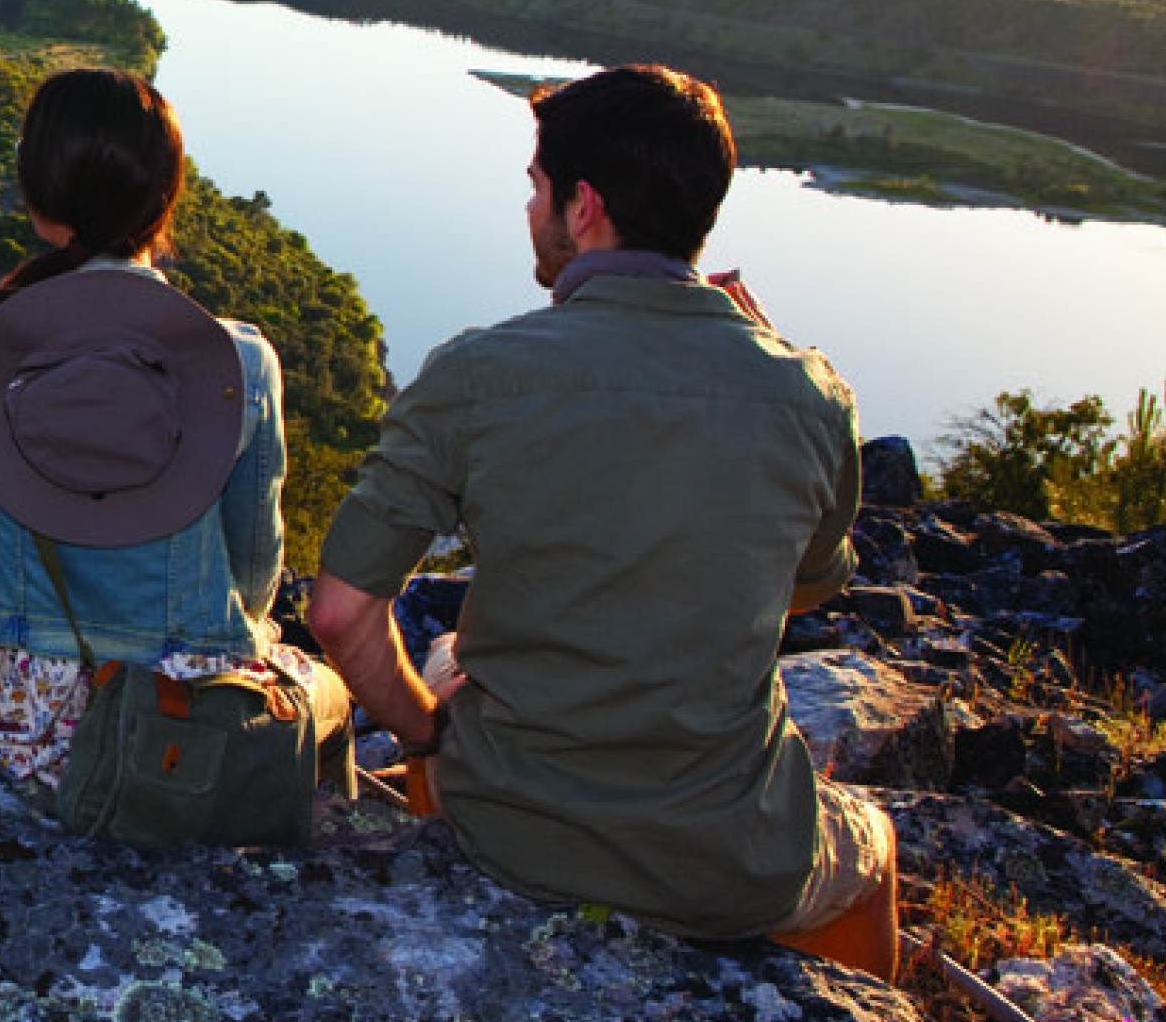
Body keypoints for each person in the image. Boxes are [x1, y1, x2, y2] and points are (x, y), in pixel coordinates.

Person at [307, 64, 895, 974]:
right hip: (725, 856)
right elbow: (805, 588)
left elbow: (342, 613)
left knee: (448, 660)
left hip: (510, 833)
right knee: (875, 847)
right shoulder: (807, 395)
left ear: (583, 207)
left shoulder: (478, 373)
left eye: (536, 188)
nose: (530, 209)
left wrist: (424, 734)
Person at [0, 69, 349, 809]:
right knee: (325, 692)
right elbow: (252, 562)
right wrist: (244, 636)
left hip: (17, 718)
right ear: (164, 193)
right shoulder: (239, 359)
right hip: (178, 731)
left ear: (40, 197)